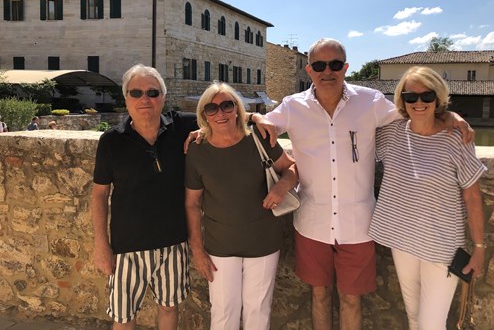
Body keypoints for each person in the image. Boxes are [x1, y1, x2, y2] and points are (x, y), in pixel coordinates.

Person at [248, 38, 474, 330]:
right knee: (319, 294)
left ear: (346, 67)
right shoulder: (293, 106)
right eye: (319, 65)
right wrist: (253, 115)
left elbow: (416, 111)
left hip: (359, 225)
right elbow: (259, 125)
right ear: (309, 69)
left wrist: (451, 116)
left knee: (352, 300)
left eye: (335, 65)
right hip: (311, 221)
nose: (327, 71)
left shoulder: (370, 102)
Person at [368, 66, 486, 330]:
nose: (419, 103)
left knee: (431, 324)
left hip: (442, 247)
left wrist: (479, 248)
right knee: (413, 316)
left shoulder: (457, 138)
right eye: (411, 97)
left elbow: (472, 195)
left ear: (438, 98)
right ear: (402, 100)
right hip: (403, 240)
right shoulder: (391, 132)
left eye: (427, 96)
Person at [91, 64, 198, 330]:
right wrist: (101, 245)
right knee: (123, 316)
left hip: (173, 243)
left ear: (163, 96)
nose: (144, 99)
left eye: (152, 92)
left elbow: (226, 113)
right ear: (125, 98)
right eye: (136, 92)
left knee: (169, 307)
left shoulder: (182, 126)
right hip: (127, 247)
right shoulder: (111, 141)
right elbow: (99, 195)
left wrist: (257, 119)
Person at [185, 82, 298, 330]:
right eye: (211, 109)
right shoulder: (197, 149)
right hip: (219, 245)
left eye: (227, 105)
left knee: (258, 312)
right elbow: (192, 204)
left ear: (237, 108)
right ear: (203, 115)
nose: (220, 113)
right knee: (223, 314)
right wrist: (197, 251)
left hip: (263, 241)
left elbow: (291, 168)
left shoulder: (258, 137)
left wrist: (281, 187)